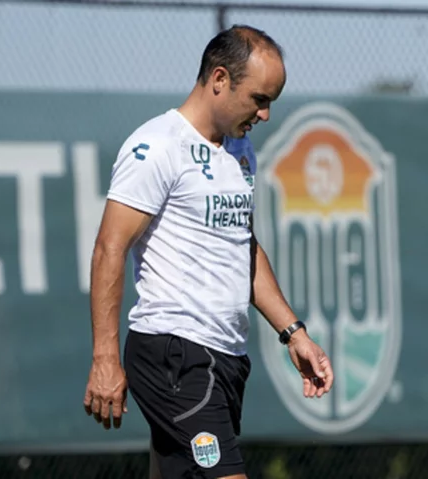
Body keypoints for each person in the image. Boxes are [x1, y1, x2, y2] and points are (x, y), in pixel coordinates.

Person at [82, 25, 334, 479]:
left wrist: (294, 334)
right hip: (175, 354)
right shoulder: (157, 147)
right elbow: (108, 249)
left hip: (225, 360)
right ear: (219, 79)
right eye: (259, 98)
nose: (266, 114)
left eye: (272, 100)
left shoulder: (240, 151)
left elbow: (243, 246)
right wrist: (104, 358)